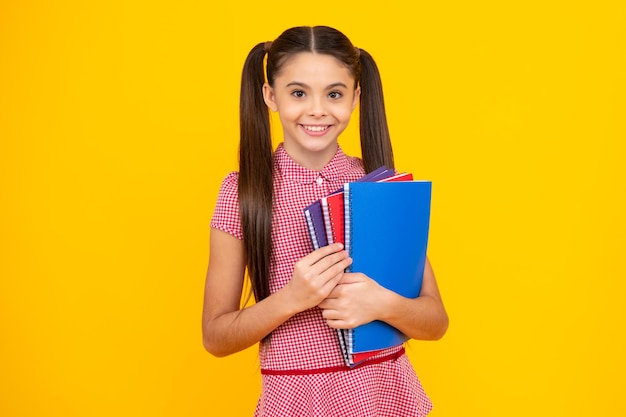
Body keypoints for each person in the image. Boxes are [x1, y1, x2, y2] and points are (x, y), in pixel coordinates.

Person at [202, 25, 448, 416]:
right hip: (296, 399)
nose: (317, 109)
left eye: (334, 93)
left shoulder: (380, 186)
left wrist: (381, 303)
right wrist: (292, 299)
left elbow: (434, 321)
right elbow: (216, 336)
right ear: (270, 96)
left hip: (385, 395)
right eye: (298, 93)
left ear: (355, 99)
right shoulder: (241, 192)